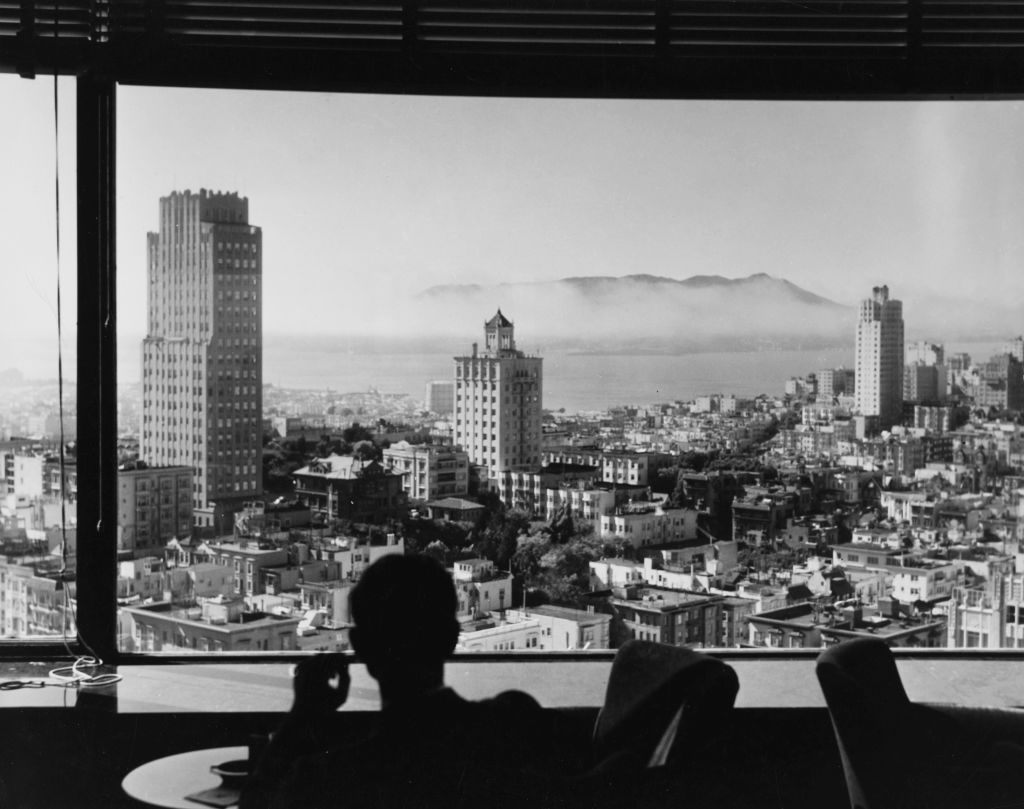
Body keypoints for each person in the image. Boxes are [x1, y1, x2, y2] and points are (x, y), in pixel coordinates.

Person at [241, 554, 595, 809]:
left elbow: (256, 803)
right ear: (452, 638)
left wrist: (301, 716)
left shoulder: (326, 778)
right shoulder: (512, 725)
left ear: (361, 648)